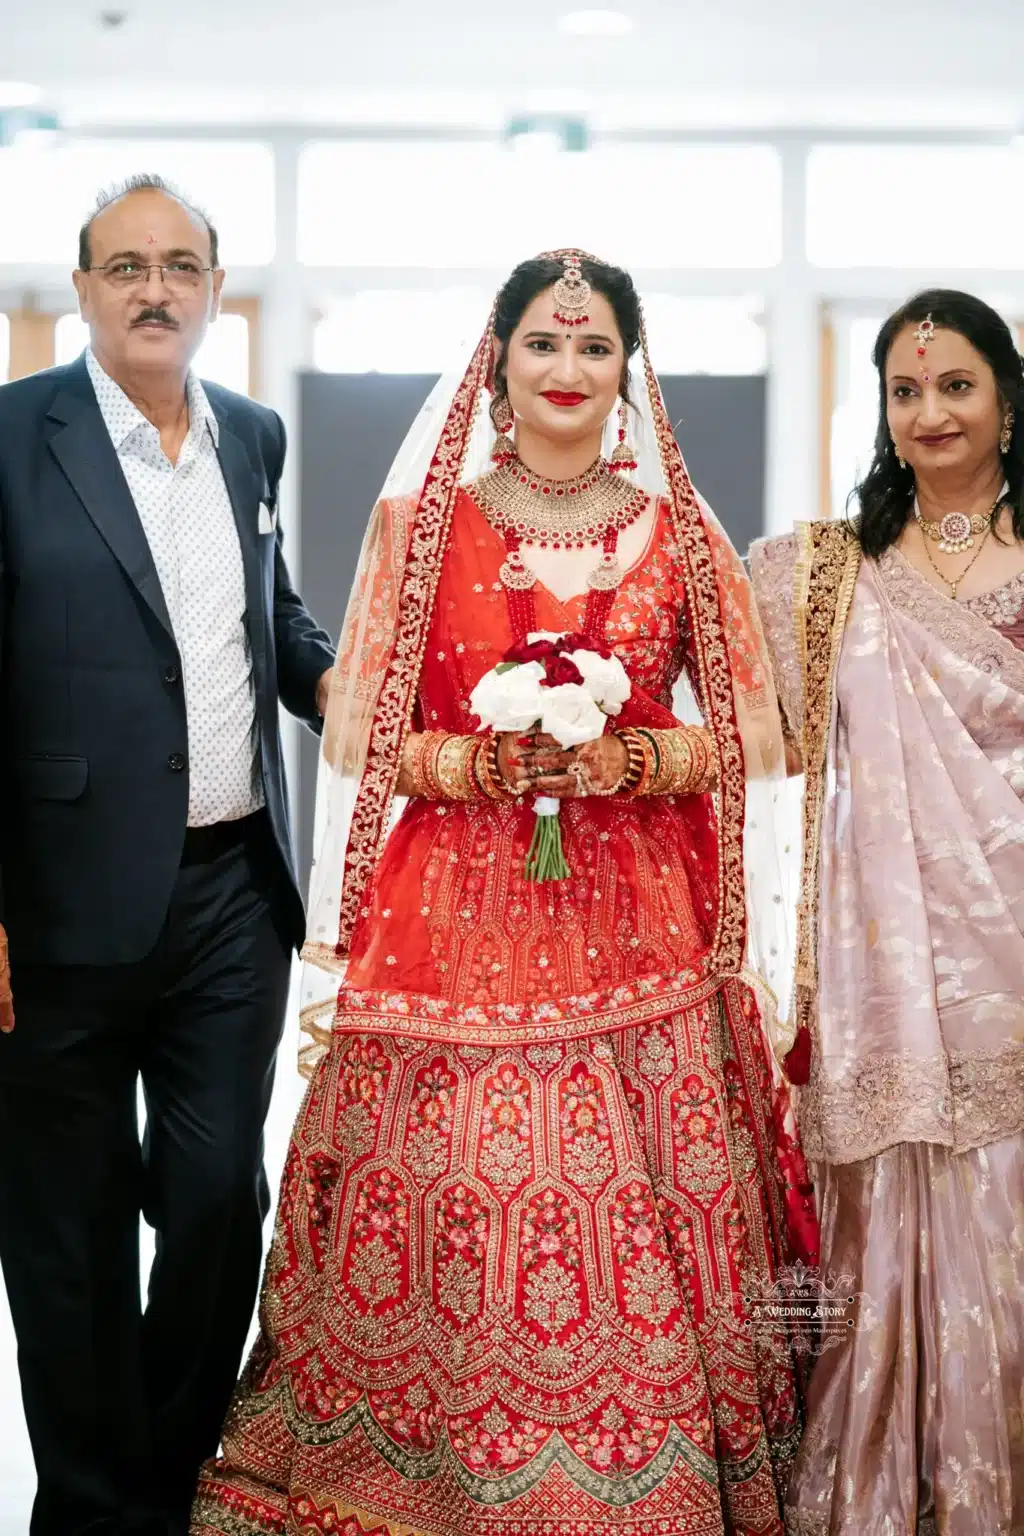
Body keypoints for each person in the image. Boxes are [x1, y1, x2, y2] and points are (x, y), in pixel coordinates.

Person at [191, 250, 818, 1536]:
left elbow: (756, 735)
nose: (569, 371)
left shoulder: (683, 535)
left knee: (627, 1202)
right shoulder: (420, 529)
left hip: (636, 922)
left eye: (594, 348)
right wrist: (478, 759)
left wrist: (635, 753)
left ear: (628, 369)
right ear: (500, 362)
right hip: (450, 926)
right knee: (458, 1184)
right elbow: (365, 735)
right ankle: (423, 1473)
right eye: (544, 344)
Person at [0, 174, 335, 1536]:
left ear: (211, 286)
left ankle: (170, 1483)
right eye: (126, 265)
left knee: (211, 1205)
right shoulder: (15, 436)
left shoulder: (252, 436)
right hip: (54, 903)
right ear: (82, 290)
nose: (156, 288)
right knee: (64, 1231)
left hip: (230, 893)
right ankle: (87, 1508)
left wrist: (369, 686)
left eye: (181, 265)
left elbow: (277, 622)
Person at [750, 289, 1024, 1534]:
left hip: (1012, 949)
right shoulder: (827, 575)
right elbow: (752, 729)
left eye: (955, 386)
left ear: (1007, 404)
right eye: (905, 391)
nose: (929, 412)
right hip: (885, 984)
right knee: (879, 1224)